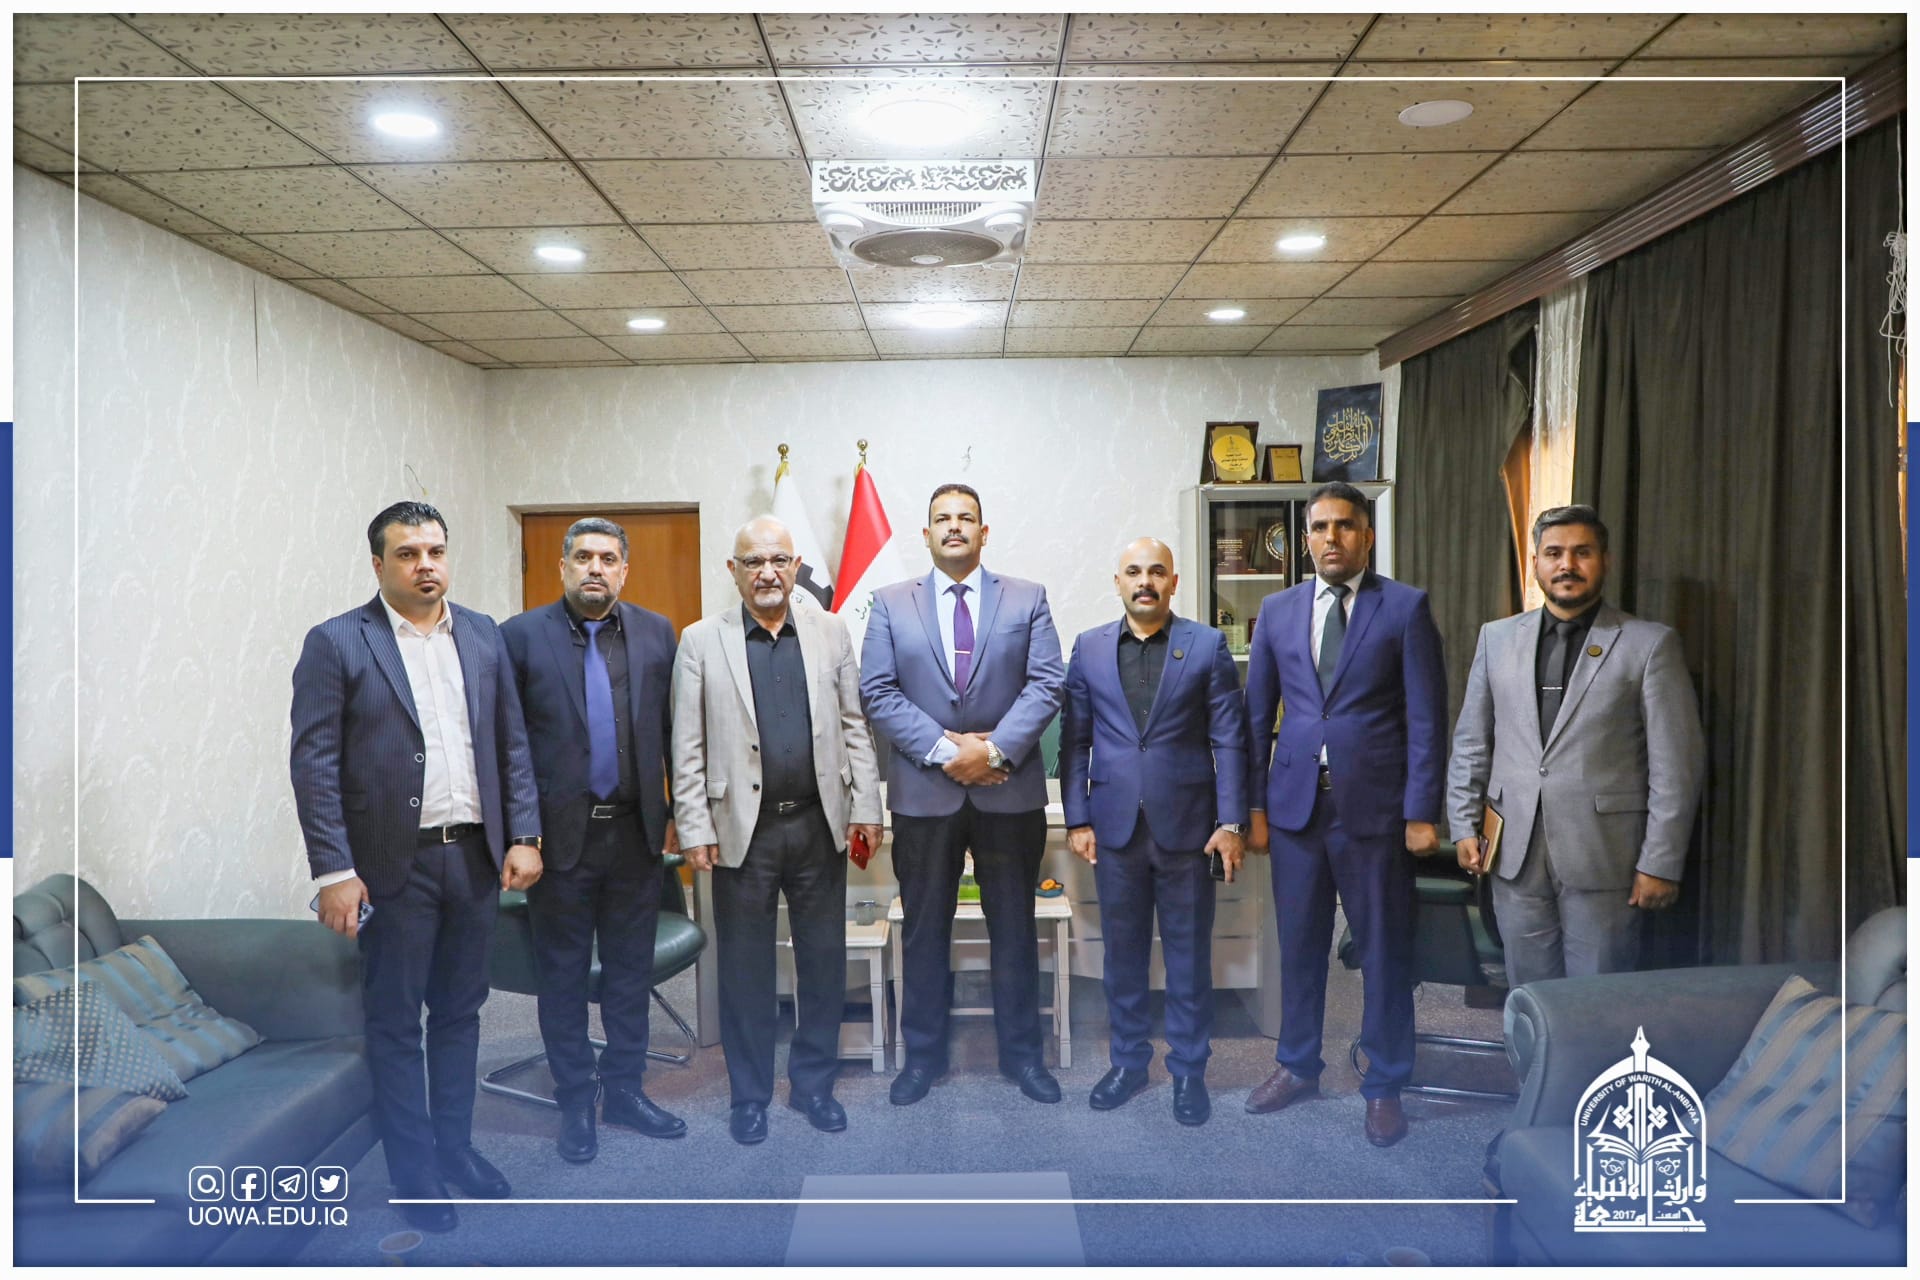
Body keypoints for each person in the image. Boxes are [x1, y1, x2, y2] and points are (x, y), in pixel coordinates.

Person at [290, 501, 543, 1233]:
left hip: (474, 857)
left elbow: (512, 742)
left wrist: (524, 833)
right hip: (390, 864)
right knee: (398, 1022)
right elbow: (313, 762)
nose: (425, 565)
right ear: (379, 565)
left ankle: (455, 1148)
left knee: (461, 1011)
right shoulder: (338, 642)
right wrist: (334, 870)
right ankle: (413, 1171)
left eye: (434, 551)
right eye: (407, 554)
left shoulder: (483, 633)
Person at [1242, 481, 1447, 1148]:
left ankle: (1384, 1083)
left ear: (1367, 535)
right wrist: (1252, 806)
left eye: (1345, 525)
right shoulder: (1276, 611)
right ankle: (1298, 1065)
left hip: (1376, 809)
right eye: (1320, 526)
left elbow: (1426, 718)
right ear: (1306, 538)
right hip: (1295, 807)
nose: (1332, 537)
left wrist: (1421, 810)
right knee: (1299, 945)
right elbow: (1255, 719)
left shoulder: (1405, 607)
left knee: (1383, 950)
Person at [670, 516, 882, 1145]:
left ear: (795, 568)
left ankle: (813, 1085)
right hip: (743, 831)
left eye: (778, 561)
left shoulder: (830, 631)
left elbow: (854, 725)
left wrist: (867, 808)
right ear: (733, 571)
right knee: (744, 969)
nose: (767, 573)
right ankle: (750, 1095)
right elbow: (687, 745)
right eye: (753, 562)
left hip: (819, 824)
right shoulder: (700, 641)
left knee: (823, 961)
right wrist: (694, 826)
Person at [860, 483, 1066, 1107]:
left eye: (966, 518)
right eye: (942, 519)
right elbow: (877, 691)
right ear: (925, 534)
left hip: (1009, 791)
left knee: (1015, 928)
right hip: (925, 794)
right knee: (924, 931)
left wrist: (993, 752)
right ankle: (922, 1058)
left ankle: (1022, 1057)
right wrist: (950, 753)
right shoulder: (889, 603)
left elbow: (1047, 682)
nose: (954, 526)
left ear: (984, 531)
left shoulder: (1028, 598)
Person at [1446, 504, 1705, 987]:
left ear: (1604, 560)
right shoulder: (1496, 639)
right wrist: (1462, 824)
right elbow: (1471, 741)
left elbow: (1676, 767)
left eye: (1582, 552)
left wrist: (1660, 861)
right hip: (1513, 855)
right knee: (1529, 996)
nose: (1567, 564)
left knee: (1597, 999)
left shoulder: (1649, 645)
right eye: (1554, 553)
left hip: (1605, 859)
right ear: (1536, 563)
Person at [499, 517, 685, 1163]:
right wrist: (522, 835)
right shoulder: (520, 637)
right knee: (564, 977)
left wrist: (679, 816)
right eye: (583, 557)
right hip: (558, 843)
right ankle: (575, 1099)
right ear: (563, 567)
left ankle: (626, 1090)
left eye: (608, 558)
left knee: (631, 973)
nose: (595, 568)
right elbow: (509, 747)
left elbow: (673, 733)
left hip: (636, 836)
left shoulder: (657, 633)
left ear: (624, 570)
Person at [1059, 537, 1247, 1125]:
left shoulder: (1207, 644)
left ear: (1174, 582)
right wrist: (1077, 817)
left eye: (1157, 572)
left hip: (1189, 829)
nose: (1146, 581)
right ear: (1117, 582)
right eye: (1134, 572)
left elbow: (1229, 739)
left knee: (1188, 958)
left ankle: (1189, 1071)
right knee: (1123, 957)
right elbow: (1075, 741)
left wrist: (1231, 822)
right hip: (1114, 829)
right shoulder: (1089, 647)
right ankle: (1129, 1063)